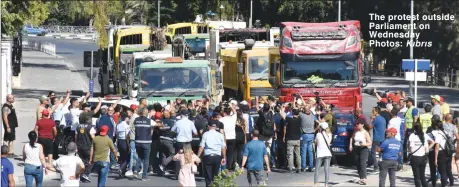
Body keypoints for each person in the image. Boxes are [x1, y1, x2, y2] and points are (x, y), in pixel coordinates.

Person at [197, 120, 226, 187]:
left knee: (208, 176)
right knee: (215, 175)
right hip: (217, 156)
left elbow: (201, 147)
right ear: (215, 127)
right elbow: (223, 147)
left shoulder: (206, 134)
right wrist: (224, 157)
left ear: (209, 126)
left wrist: (198, 156)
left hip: (208, 156)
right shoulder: (220, 135)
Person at [134, 108, 158, 181]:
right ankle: (144, 176)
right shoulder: (149, 121)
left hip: (138, 142)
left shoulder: (136, 120)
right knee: (146, 158)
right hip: (146, 142)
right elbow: (157, 124)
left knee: (140, 157)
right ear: (147, 113)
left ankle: (136, 170)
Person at [433, 116, 455, 187]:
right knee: (448, 170)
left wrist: (435, 159)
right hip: (448, 152)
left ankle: (443, 185)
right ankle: (451, 184)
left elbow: (437, 147)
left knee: (443, 172)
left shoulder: (438, 135)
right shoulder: (445, 132)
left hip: (441, 153)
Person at [349, 118, 372, 185]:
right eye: (356, 124)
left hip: (363, 149)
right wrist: (350, 145)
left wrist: (364, 144)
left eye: (358, 124)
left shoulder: (365, 132)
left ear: (362, 124)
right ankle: (361, 178)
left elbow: (370, 142)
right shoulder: (356, 132)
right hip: (356, 148)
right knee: (358, 164)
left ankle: (364, 178)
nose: (357, 125)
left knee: (362, 163)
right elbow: (351, 138)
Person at [75, 112, 96, 183]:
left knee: (83, 161)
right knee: (91, 161)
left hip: (80, 146)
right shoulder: (90, 127)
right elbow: (93, 137)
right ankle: (86, 174)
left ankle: (81, 175)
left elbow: (76, 137)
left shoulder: (78, 126)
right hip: (88, 146)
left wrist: (76, 145)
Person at [280, 105, 301, 173]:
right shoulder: (300, 119)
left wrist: (283, 108)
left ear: (292, 113)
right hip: (297, 139)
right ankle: (299, 168)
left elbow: (282, 114)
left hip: (290, 138)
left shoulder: (289, 119)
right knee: (298, 154)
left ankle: (291, 168)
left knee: (290, 154)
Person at [299, 103, 316, 172]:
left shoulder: (301, 115)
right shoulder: (312, 115)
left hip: (304, 135)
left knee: (303, 151)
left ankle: (303, 166)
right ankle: (311, 166)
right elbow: (318, 122)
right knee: (310, 151)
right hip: (312, 134)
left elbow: (295, 109)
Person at [314, 122, 332, 187]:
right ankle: (326, 184)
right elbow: (329, 143)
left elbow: (316, 143)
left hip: (320, 153)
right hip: (327, 153)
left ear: (321, 128)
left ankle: (316, 184)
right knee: (326, 170)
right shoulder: (329, 134)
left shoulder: (318, 134)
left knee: (317, 169)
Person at [219, 104, 237, 170]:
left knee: (223, 153)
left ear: (224, 112)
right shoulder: (233, 118)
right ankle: (228, 167)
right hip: (232, 137)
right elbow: (235, 112)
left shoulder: (221, 119)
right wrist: (231, 106)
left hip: (224, 137)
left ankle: (223, 166)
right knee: (230, 153)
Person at [369, 107, 386, 171]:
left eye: (373, 111)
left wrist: (371, 119)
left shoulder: (376, 119)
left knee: (373, 152)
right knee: (381, 153)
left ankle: (376, 166)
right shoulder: (383, 118)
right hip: (382, 138)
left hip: (376, 138)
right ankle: (381, 165)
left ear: (376, 112)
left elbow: (370, 127)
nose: (372, 112)